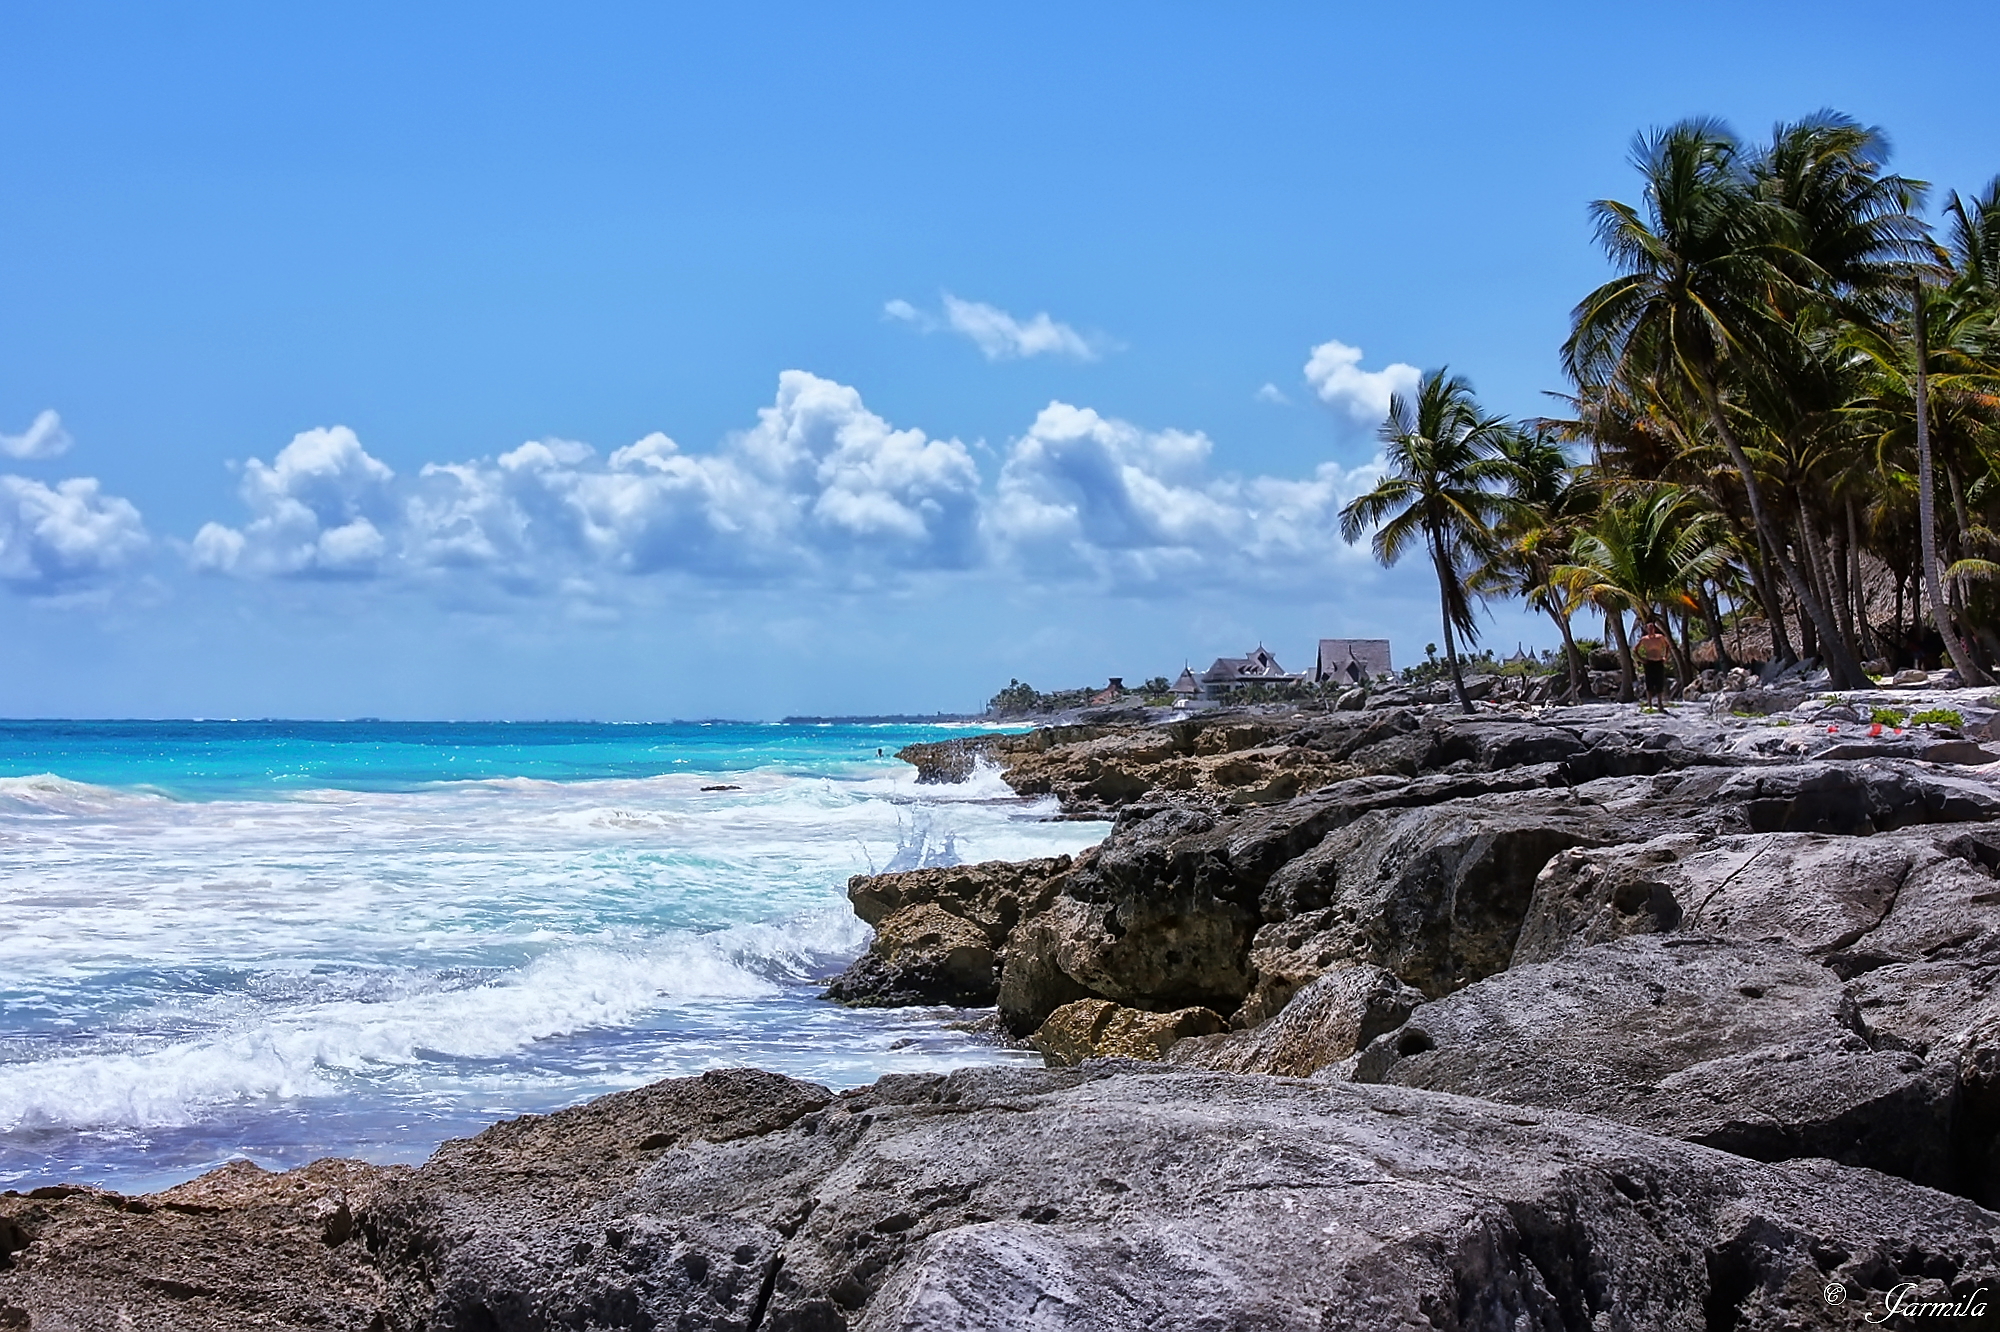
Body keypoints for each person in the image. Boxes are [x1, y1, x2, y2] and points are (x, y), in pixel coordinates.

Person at [1635, 621, 1674, 709]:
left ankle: (1660, 703)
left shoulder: (1660, 637)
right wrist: (1641, 659)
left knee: (1659, 682)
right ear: (1646, 630)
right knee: (1649, 683)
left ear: (1654, 629)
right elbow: (1635, 649)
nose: (1651, 630)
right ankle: (1649, 704)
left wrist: (1665, 657)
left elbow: (1667, 646)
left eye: (1652, 628)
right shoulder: (1644, 639)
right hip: (1649, 662)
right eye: (1649, 628)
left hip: (1658, 661)